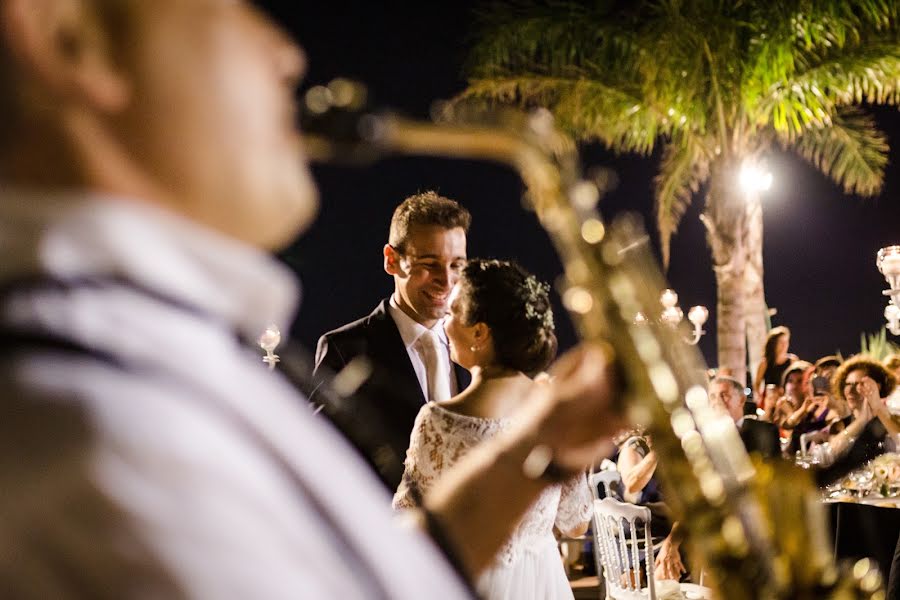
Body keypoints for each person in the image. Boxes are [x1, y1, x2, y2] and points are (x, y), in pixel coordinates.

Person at [0, 1, 625, 597]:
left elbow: (380, 575)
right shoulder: (99, 421)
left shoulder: (136, 358)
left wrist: (542, 446)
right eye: (224, 5)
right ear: (67, 38)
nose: (289, 54)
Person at [394, 259, 589, 600]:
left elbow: (411, 527)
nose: (444, 321)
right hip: (543, 582)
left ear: (480, 332)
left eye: (453, 312)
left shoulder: (439, 421)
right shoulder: (553, 410)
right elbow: (576, 523)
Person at [314, 191, 472, 489]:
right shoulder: (346, 348)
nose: (446, 279)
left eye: (456, 265)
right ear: (391, 260)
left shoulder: (478, 344)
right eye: (429, 263)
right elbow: (322, 453)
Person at [708, 375, 781, 459]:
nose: (717, 401)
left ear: (742, 399)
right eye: (712, 397)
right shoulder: (704, 437)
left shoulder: (765, 431)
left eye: (724, 395)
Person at [753, 326, 797, 400]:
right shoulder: (765, 363)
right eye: (781, 342)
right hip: (770, 400)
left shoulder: (792, 360)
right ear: (774, 343)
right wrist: (760, 397)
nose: (784, 345)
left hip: (788, 399)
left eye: (786, 342)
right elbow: (757, 383)